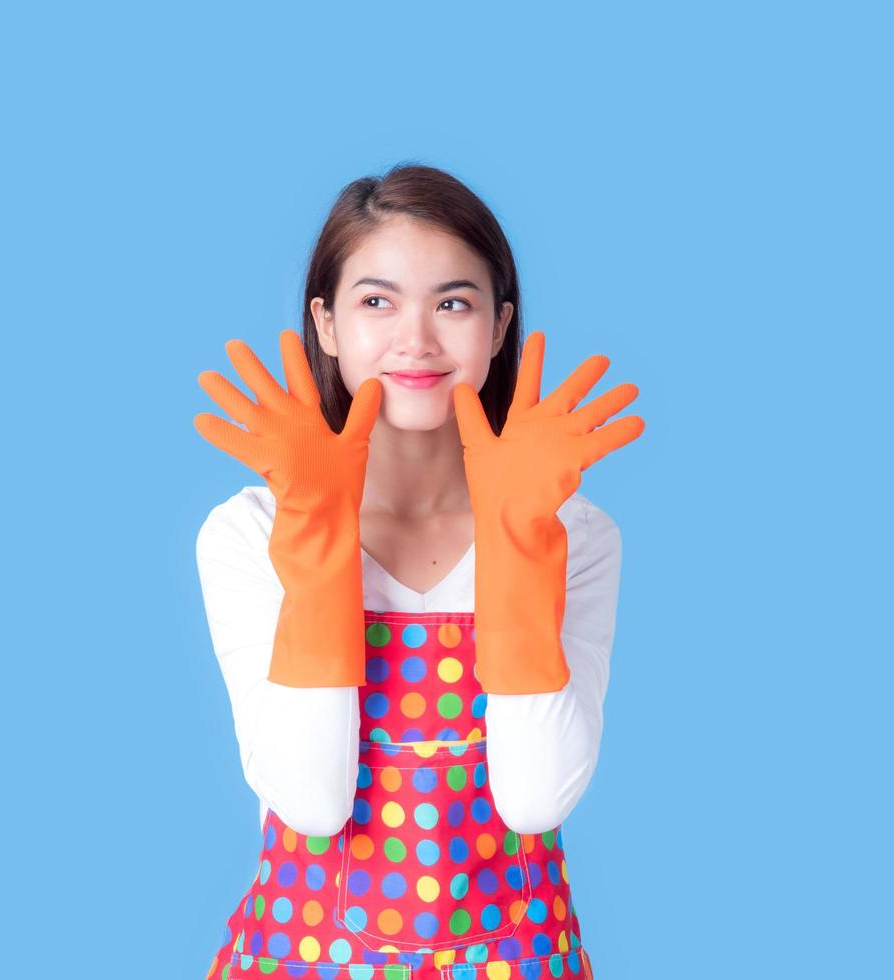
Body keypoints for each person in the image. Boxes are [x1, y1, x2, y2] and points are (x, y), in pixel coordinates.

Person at [192, 163, 644, 979]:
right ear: (323, 325)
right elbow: (310, 801)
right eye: (376, 301)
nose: (416, 339)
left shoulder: (574, 535)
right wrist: (317, 535)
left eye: (452, 302)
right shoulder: (250, 531)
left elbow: (536, 799)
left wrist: (516, 540)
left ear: (500, 325)